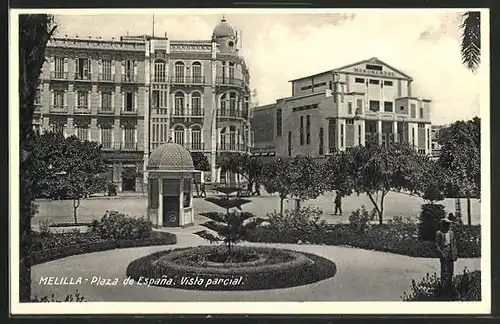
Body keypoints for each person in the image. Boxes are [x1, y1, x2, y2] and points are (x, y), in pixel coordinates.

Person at [435, 217, 458, 298]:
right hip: (444, 251)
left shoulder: (451, 233)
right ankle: (443, 288)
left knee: (451, 270)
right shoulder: (439, 233)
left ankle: (450, 286)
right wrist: (441, 253)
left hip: (451, 252)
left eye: (448, 224)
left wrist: (455, 254)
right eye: (446, 224)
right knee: (444, 270)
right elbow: (437, 245)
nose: (447, 226)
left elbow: (454, 244)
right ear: (443, 225)